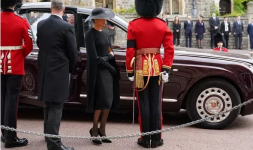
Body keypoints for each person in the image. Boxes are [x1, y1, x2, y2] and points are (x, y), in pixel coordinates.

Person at [126, 0, 174, 148]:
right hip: (157, 68)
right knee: (156, 104)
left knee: (144, 104)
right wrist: (166, 69)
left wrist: (129, 70)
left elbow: (130, 50)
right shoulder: (162, 24)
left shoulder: (134, 25)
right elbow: (169, 49)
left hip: (140, 68)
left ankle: (145, 138)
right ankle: (156, 138)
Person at [36, 0, 78, 150]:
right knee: (56, 106)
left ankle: (48, 135)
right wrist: (71, 68)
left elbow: (39, 43)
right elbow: (73, 52)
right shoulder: (67, 27)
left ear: (51, 8)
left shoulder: (41, 25)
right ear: (63, 9)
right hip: (59, 68)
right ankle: (53, 144)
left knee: (48, 103)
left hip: (44, 68)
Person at [85, 8, 120, 145]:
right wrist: (107, 61)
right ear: (95, 20)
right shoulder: (90, 34)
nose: (104, 20)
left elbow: (111, 52)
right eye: (102, 18)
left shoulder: (105, 34)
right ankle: (94, 130)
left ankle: (103, 130)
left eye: (105, 18)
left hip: (107, 72)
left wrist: (106, 58)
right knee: (100, 102)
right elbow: (95, 58)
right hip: (98, 72)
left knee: (108, 102)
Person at [1, 0, 33, 148]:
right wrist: (20, 54)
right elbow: (29, 44)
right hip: (14, 64)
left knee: (2, 99)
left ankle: (4, 133)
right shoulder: (21, 21)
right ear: (14, 4)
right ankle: (10, 137)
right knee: (12, 101)